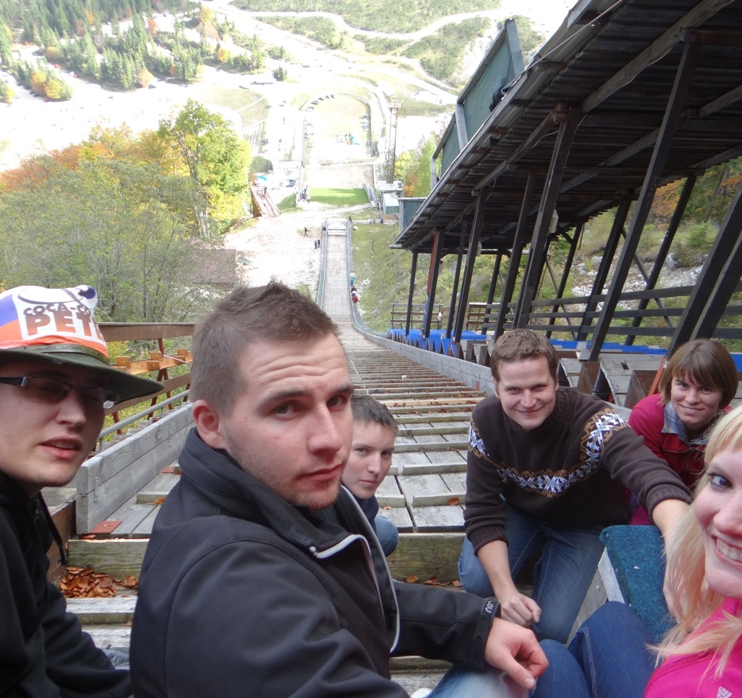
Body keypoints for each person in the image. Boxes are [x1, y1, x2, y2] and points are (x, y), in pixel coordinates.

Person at [130, 282, 546, 697]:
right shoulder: (231, 590)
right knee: (551, 665)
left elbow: (354, 598)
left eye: (337, 401)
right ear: (212, 424)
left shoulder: (282, 490)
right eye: (285, 408)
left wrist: (477, 625)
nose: (332, 440)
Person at [0, 284, 163, 696]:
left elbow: (53, 643)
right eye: (45, 386)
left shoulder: (6, 493)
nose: (76, 415)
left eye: (93, 395)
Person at [535, 390, 742, 697]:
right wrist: (682, 551)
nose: (725, 521)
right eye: (722, 481)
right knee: (598, 627)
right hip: (681, 672)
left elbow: (644, 470)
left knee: (549, 654)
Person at [458, 328, 692, 643]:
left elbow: (651, 476)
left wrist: (680, 549)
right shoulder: (486, 421)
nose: (528, 401)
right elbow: (481, 508)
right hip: (520, 512)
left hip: (582, 524)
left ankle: (546, 565)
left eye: (539, 386)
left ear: (556, 381)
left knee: (552, 628)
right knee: (476, 581)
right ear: (496, 388)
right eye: (514, 390)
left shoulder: (594, 421)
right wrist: (505, 591)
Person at [628, 338, 738, 491]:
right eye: (683, 385)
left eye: (705, 389)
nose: (691, 399)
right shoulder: (646, 417)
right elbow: (645, 478)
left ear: (723, 394)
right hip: (652, 493)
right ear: (670, 385)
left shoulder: (733, 431)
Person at [344, 394, 399, 556]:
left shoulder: (361, 496)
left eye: (385, 453)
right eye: (362, 450)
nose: (377, 468)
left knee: (387, 530)